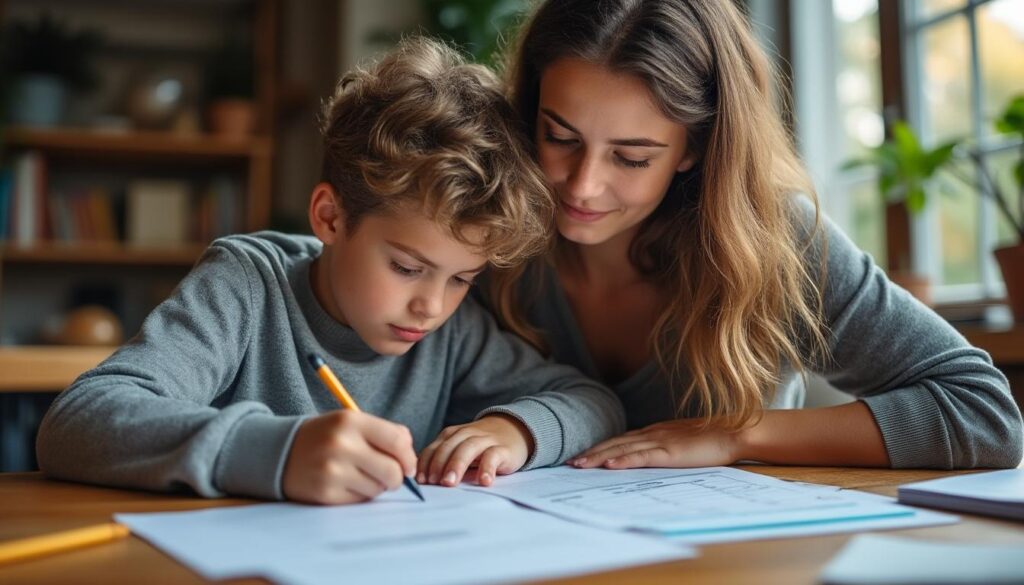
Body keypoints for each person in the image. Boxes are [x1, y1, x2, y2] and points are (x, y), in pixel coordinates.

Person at [35, 37, 625, 505]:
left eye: (461, 278)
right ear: (330, 217)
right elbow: (78, 422)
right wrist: (276, 452)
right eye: (406, 266)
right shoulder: (246, 287)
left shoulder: (452, 333)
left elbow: (592, 400)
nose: (432, 306)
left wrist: (517, 431)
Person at [482, 0, 1023, 471]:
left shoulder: (776, 242)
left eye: (631, 157)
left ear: (693, 149)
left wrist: (736, 434)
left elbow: (985, 416)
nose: (582, 185)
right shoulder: (480, 224)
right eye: (560, 136)